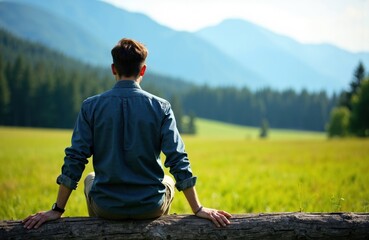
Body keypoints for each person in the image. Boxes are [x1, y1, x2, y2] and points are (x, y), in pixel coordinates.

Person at [23, 38, 232, 229]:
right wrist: (198, 208)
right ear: (143, 71)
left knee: (90, 178)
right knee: (167, 180)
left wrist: (57, 210)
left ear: (114, 69)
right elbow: (178, 159)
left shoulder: (90, 107)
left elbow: (75, 159)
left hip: (107, 208)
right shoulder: (162, 107)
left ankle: (102, 233)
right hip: (151, 207)